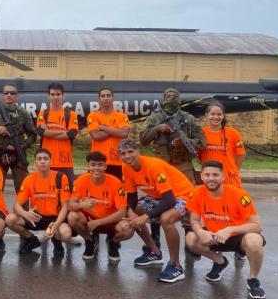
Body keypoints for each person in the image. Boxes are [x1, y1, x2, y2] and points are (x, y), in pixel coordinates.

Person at [185, 160, 266, 299]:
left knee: (254, 240)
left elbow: (257, 225)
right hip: (214, 236)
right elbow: (194, 220)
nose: (211, 178)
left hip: (238, 237)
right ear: (202, 176)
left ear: (223, 177)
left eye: (215, 175)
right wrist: (200, 232)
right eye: (207, 175)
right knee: (190, 238)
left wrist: (229, 229)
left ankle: (253, 280)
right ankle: (220, 262)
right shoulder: (197, 193)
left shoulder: (239, 194)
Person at [138, 88, 205, 251]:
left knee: (189, 202)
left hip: (183, 165)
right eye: (168, 96)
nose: (171, 99)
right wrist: (157, 129)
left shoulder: (189, 119)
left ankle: (191, 239)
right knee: (157, 199)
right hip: (160, 165)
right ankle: (155, 239)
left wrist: (185, 142)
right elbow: (143, 140)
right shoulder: (155, 117)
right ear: (163, 99)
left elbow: (202, 142)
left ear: (180, 100)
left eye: (175, 97)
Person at [119, 139, 194, 283]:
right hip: (160, 196)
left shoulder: (153, 165)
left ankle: (176, 266)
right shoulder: (126, 167)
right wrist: (131, 212)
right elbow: (132, 197)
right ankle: (154, 252)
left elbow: (170, 201)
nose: (127, 156)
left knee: (167, 219)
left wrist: (146, 216)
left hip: (182, 195)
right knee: (134, 213)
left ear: (138, 152)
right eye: (123, 153)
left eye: (130, 152)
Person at [67, 152, 134, 263]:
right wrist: (82, 205)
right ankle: (90, 241)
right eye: (93, 165)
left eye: (100, 165)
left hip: (110, 220)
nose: (96, 168)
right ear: (88, 166)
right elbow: (70, 205)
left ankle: (113, 243)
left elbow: (122, 212)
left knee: (128, 228)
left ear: (105, 166)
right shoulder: (81, 180)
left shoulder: (116, 183)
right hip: (89, 221)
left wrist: (98, 222)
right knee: (72, 216)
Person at [5, 148, 72, 257]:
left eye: (45, 159)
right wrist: (25, 213)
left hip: (55, 218)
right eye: (39, 159)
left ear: (51, 161)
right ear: (35, 162)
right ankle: (31, 239)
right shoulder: (29, 179)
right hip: (36, 217)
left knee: (66, 234)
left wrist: (56, 224)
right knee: (10, 219)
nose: (42, 161)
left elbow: (65, 207)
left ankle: (57, 241)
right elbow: (16, 205)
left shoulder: (61, 177)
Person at [0, 83, 37, 194]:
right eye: (6, 93)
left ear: (17, 96)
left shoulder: (23, 113)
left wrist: (22, 146)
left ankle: (23, 211)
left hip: (18, 155)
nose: (9, 95)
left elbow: (33, 135)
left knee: (23, 190)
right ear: (2, 95)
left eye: (12, 93)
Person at [36, 82, 78, 186]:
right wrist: (63, 132)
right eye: (53, 94)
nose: (55, 97)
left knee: (68, 193)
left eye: (58, 94)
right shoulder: (43, 113)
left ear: (63, 95)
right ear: (48, 96)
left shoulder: (71, 114)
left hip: (66, 161)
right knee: (48, 191)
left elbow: (71, 134)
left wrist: (48, 132)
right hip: (47, 161)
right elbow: (42, 132)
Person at [86, 87, 131, 180]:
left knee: (117, 191)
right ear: (98, 100)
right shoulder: (92, 116)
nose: (106, 98)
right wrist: (115, 130)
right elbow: (96, 136)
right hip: (97, 162)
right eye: (103, 96)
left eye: (108, 95)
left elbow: (124, 134)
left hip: (117, 161)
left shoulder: (122, 116)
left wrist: (103, 128)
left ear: (113, 98)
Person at [199, 102, 246, 187]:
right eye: (212, 114)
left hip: (230, 179)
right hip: (210, 179)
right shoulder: (201, 134)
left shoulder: (233, 133)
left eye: (219, 114)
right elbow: (199, 155)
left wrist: (234, 170)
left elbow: (241, 154)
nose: (216, 117)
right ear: (206, 115)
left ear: (223, 116)